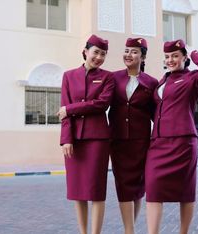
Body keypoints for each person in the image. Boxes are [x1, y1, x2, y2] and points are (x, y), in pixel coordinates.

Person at [145, 39, 198, 234]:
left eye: (175, 56)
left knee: (185, 191)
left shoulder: (192, 78)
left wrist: (193, 51)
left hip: (182, 142)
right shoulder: (163, 79)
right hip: (158, 142)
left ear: (184, 58)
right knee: (152, 189)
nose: (170, 60)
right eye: (167, 57)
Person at [57, 34, 114, 234]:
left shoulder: (108, 77)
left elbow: (101, 105)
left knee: (96, 191)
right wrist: (66, 139)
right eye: (96, 52)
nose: (99, 57)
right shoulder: (68, 76)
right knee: (77, 191)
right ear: (86, 52)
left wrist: (71, 109)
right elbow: (63, 114)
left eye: (103, 54)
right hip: (74, 141)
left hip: (97, 139)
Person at [108, 38, 158, 234]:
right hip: (118, 140)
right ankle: (129, 230)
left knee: (137, 187)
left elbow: (157, 114)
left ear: (143, 56)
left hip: (141, 142)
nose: (129, 54)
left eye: (134, 51)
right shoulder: (112, 78)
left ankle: (131, 227)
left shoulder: (151, 82)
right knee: (123, 185)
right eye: (126, 50)